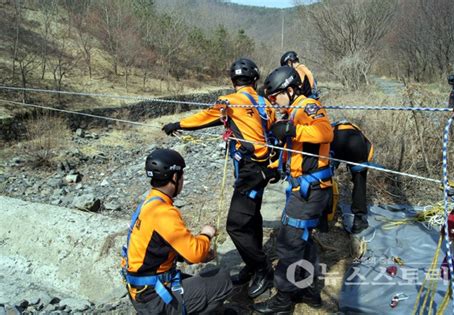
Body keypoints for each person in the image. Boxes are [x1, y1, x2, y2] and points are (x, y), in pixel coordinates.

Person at [162, 58, 279, 299]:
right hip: (264, 168)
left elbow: (205, 117)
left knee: (235, 225)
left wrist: (177, 123)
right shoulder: (264, 102)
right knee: (252, 217)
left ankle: (263, 269)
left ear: (233, 81)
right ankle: (252, 264)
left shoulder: (229, 101)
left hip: (249, 171)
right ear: (254, 80)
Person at [253, 66, 333, 314]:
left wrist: (292, 129)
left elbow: (325, 132)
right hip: (304, 186)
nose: (274, 102)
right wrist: (275, 166)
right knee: (303, 240)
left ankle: (283, 301)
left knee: (288, 242)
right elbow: (296, 152)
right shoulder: (292, 110)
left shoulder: (308, 106)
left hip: (310, 190)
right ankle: (310, 293)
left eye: (276, 96)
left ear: (289, 89)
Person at [121, 148, 233, 314]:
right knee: (223, 280)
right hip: (154, 299)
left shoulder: (150, 203)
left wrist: (185, 255)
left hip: (142, 290)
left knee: (204, 280)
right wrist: (206, 234)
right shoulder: (164, 213)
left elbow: (158, 245)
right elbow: (196, 254)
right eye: (182, 176)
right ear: (174, 177)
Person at [331, 121, 374, 233]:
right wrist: (360, 171)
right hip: (356, 143)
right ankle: (358, 220)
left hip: (335, 140)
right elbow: (369, 150)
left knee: (325, 177)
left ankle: (323, 213)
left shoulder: (333, 128)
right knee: (360, 180)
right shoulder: (359, 133)